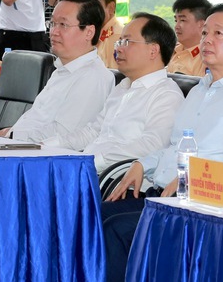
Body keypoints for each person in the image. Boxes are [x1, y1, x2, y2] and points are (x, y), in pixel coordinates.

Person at [100, 3, 223, 282]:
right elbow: (174, 148)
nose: (207, 40)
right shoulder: (198, 91)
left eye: (218, 34)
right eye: (205, 33)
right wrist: (143, 164)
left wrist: (193, 174)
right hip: (163, 197)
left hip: (204, 208)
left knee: (116, 229)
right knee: (92, 215)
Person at [0, 0, 114, 143]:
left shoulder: (93, 77)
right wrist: (9, 133)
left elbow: (63, 135)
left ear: (89, 32)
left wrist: (13, 135)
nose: (53, 32)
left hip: (35, 153)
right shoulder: (63, 70)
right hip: (17, 144)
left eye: (63, 25)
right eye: (52, 23)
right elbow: (37, 121)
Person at [76, 13, 183, 171]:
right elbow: (93, 132)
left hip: (116, 179)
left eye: (127, 42)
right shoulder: (123, 87)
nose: (118, 48)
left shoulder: (166, 95)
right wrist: (49, 146)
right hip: (88, 168)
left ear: (153, 51)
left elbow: (151, 145)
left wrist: (92, 162)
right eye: (119, 41)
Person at [167, 0, 212, 76]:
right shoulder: (170, 51)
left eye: (182, 20)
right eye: (176, 20)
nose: (176, 26)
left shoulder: (208, 57)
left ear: (202, 24)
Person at [81, 0, 122, 68]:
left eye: (95, 6)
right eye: (85, 7)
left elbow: (115, 73)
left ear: (111, 8)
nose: (89, 11)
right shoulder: (90, 32)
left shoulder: (117, 37)